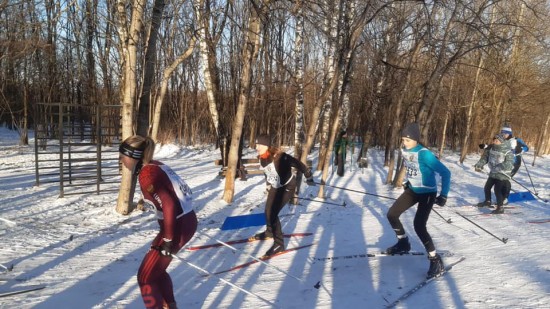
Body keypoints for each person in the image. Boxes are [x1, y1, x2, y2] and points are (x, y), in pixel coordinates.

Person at [119, 135, 197, 309]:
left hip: (177, 226)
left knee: (145, 276)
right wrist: (147, 203)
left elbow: (168, 203)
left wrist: (169, 240)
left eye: (123, 156)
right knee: (156, 271)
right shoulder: (155, 165)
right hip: (185, 221)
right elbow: (170, 193)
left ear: (133, 157)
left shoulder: (147, 175)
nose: (121, 160)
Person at [385, 123, 451, 279]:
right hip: (413, 190)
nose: (404, 143)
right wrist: (409, 181)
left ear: (415, 139)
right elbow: (413, 169)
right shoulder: (405, 151)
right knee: (392, 214)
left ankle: (435, 260)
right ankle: (403, 243)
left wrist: (444, 195)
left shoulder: (424, 154)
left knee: (419, 226)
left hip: (428, 193)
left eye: (407, 140)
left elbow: (446, 173)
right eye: (403, 140)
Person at [250, 134, 314, 257]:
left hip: (287, 187)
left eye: (259, 144)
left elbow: (297, 163)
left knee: (272, 214)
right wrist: (268, 184)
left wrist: (308, 175)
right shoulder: (262, 158)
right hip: (275, 186)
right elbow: (267, 173)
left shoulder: (281, 157)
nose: (256, 147)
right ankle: (269, 232)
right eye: (256, 144)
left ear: (266, 145)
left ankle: (279, 244)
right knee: (267, 211)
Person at [474, 133, 514, 214]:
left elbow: (509, 164)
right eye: (494, 140)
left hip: (503, 174)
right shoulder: (490, 148)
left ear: (501, 142)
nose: (494, 142)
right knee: (487, 187)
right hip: (493, 172)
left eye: (497, 141)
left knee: (497, 190)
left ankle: (500, 207)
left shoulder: (507, 151)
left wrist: (500, 166)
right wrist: (479, 164)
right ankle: (487, 201)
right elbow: (485, 158)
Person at [500, 125, 529, 204]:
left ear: (509, 133)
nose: (504, 135)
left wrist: (520, 150)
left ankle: (504, 198)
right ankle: (501, 197)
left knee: (505, 179)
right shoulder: (501, 140)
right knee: (500, 180)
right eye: (502, 133)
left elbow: (526, 148)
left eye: (506, 133)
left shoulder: (517, 140)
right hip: (504, 163)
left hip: (515, 163)